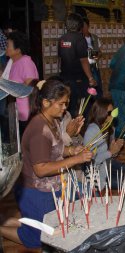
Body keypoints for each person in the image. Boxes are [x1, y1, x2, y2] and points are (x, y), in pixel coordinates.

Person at [0, 79, 93, 248]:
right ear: (45, 102)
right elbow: (41, 169)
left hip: (50, 186)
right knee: (36, 239)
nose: (65, 108)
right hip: (35, 190)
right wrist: (76, 160)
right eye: (62, 104)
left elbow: (55, 150)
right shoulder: (39, 129)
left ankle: (11, 220)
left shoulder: (53, 121)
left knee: (49, 227)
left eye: (66, 104)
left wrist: (72, 151)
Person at [83, 98, 125, 189]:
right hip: (97, 174)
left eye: (113, 112)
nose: (112, 116)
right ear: (101, 113)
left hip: (108, 164)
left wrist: (116, 149)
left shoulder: (110, 128)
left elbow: (110, 155)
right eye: (109, 113)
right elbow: (90, 161)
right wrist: (111, 152)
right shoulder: (92, 131)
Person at [59, 13, 96, 117]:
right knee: (84, 105)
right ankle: (81, 127)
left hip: (65, 77)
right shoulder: (80, 39)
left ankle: (68, 126)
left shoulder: (62, 39)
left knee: (69, 105)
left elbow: (61, 58)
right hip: (79, 79)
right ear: (79, 25)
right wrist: (90, 78)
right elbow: (84, 60)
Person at [5, 31, 39, 135]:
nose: (5, 48)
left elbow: (31, 87)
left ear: (18, 50)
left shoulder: (25, 62)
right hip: (16, 112)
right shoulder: (12, 62)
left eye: (8, 45)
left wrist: (8, 86)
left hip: (26, 113)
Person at [82, 17, 103, 97]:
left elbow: (101, 52)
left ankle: (99, 104)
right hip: (84, 67)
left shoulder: (94, 37)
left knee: (97, 86)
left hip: (94, 66)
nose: (83, 28)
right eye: (81, 26)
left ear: (88, 26)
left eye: (84, 25)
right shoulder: (79, 39)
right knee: (87, 88)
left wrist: (98, 56)